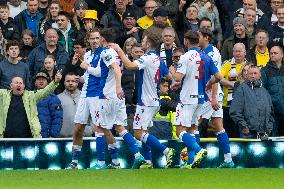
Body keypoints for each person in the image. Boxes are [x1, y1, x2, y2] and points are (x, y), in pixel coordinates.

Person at [110, 32, 175, 168]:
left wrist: (119, 50)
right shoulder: (158, 59)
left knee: (138, 133)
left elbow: (130, 66)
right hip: (154, 100)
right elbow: (168, 76)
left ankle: (167, 151)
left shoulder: (147, 58)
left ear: (148, 43)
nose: (142, 42)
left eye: (144, 40)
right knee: (144, 132)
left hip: (146, 101)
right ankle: (148, 161)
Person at [169, 30, 231, 169]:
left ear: (186, 40)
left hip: (194, 98)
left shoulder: (189, 56)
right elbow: (218, 77)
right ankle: (193, 162)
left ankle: (197, 151)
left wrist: (173, 73)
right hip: (202, 97)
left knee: (182, 130)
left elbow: (178, 77)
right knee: (198, 128)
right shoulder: (206, 56)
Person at [198, 28, 234, 168]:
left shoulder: (212, 53)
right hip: (213, 94)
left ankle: (191, 159)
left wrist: (213, 97)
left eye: (199, 35)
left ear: (206, 38)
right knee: (219, 127)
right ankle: (228, 160)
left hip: (210, 95)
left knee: (194, 124)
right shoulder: (205, 51)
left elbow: (215, 77)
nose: (197, 38)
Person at [0, 71, 62, 138]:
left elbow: (44, 92)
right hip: (6, 139)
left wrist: (55, 82)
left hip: (28, 139)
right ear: (11, 86)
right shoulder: (3, 95)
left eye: (21, 83)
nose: (19, 85)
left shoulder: (30, 96)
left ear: (23, 86)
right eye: (16, 83)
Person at [230, 65, 274, 139]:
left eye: (255, 73)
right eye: (251, 74)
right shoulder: (241, 89)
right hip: (248, 134)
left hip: (264, 134)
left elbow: (271, 112)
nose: (253, 76)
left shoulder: (264, 91)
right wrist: (244, 127)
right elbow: (235, 111)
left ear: (260, 75)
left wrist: (269, 127)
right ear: (247, 75)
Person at [220, 43, 247, 138]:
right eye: (236, 51)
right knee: (228, 132)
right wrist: (233, 84)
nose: (238, 53)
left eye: (240, 51)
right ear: (233, 52)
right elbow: (220, 78)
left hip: (244, 106)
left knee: (242, 132)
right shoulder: (227, 64)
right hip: (227, 105)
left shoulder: (248, 66)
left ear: (245, 52)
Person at [58, 72, 93, 137]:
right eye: (68, 81)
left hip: (84, 137)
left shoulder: (86, 97)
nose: (70, 83)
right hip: (64, 138)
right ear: (64, 82)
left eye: (73, 81)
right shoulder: (58, 98)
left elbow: (93, 116)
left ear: (77, 82)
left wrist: (89, 130)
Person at [261, 45, 284, 136]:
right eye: (271, 53)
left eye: (275, 53)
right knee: (273, 140)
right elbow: (262, 91)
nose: (273, 55)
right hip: (272, 113)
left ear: (282, 55)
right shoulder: (265, 70)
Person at [35, 71, 63, 138]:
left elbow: (57, 118)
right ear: (35, 82)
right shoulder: (29, 96)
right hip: (32, 135)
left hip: (47, 136)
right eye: (39, 79)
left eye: (43, 80)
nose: (41, 81)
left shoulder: (53, 98)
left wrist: (53, 135)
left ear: (48, 83)